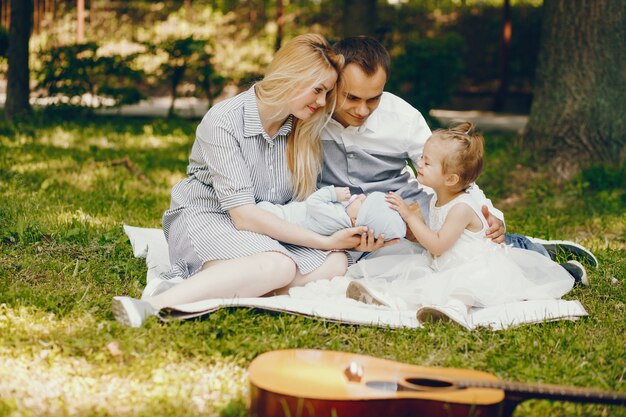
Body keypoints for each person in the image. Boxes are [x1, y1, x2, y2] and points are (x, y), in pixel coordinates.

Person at [112, 34, 372, 327]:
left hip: (266, 230)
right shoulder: (223, 120)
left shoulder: (301, 131)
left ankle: (226, 285)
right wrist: (323, 241)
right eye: (318, 90)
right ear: (292, 76)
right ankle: (151, 305)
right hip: (208, 217)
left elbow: (302, 208)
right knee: (280, 265)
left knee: (336, 261)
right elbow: (244, 216)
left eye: (327, 94)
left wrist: (345, 227)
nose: (322, 102)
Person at [319, 35, 596, 272]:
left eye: (374, 98)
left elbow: (453, 169)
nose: (363, 110)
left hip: (411, 220)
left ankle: (528, 249)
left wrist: (491, 215)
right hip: (343, 221)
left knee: (462, 259)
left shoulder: (401, 117)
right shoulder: (312, 116)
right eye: (352, 98)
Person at [346, 123, 577, 324]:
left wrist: (410, 217)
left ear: (450, 179)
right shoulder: (439, 197)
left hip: (474, 267)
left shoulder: (461, 208)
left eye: (427, 162)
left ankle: (454, 310)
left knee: (464, 286)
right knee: (417, 274)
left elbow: (437, 245)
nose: (419, 164)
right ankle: (389, 299)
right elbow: (433, 241)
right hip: (446, 264)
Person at [257, 187, 406, 239]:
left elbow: (313, 203)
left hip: (277, 217)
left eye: (362, 202)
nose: (360, 196)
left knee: (257, 210)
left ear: (356, 221)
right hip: (284, 218)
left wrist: (333, 193)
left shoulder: (336, 218)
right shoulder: (343, 221)